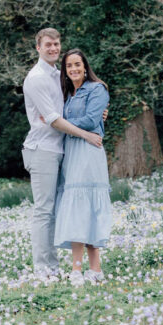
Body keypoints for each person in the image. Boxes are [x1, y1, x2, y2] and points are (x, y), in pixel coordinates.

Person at [22, 29, 104, 279]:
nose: (53, 48)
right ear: (38, 47)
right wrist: (86, 133)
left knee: (58, 209)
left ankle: (54, 266)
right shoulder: (35, 78)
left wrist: (97, 115)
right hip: (43, 149)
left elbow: (71, 109)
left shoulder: (60, 76)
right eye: (48, 45)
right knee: (44, 210)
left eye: (56, 44)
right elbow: (54, 119)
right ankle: (42, 268)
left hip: (63, 149)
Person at [52, 48, 112, 283]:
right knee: (77, 210)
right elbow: (86, 120)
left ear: (85, 66)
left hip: (89, 152)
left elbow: (90, 120)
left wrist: (60, 123)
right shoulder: (68, 93)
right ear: (65, 71)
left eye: (77, 64)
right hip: (72, 153)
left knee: (88, 209)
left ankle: (92, 269)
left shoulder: (97, 89)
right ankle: (80, 269)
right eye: (69, 66)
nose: (74, 69)